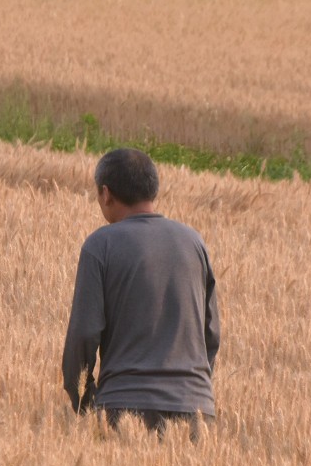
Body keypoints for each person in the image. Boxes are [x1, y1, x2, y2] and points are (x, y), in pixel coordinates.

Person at [62, 147, 220, 439]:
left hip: (125, 408)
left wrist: (84, 402)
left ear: (106, 194)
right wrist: (192, 392)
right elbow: (210, 335)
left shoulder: (100, 245)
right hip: (196, 410)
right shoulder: (194, 243)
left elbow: (84, 334)